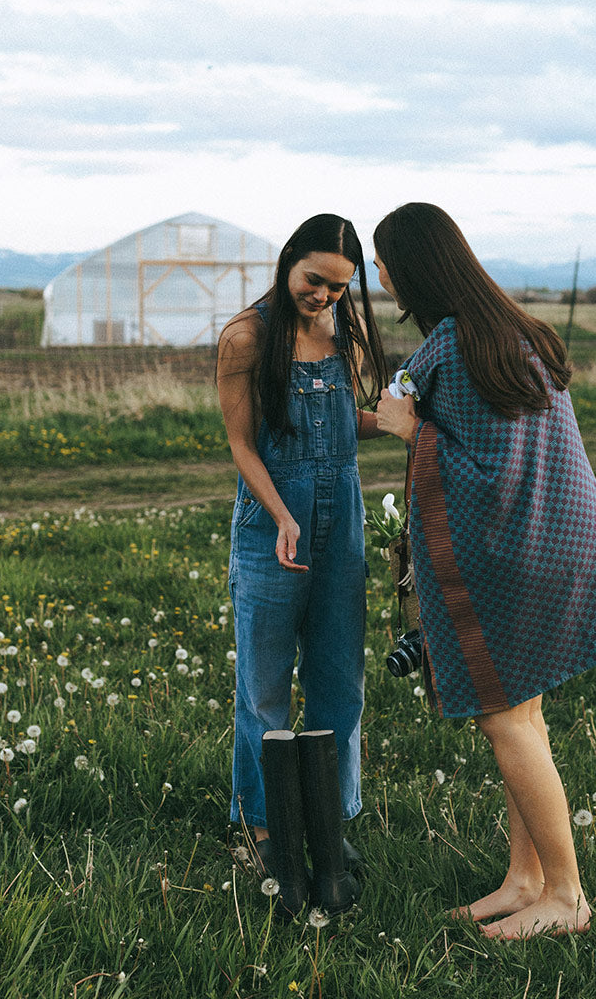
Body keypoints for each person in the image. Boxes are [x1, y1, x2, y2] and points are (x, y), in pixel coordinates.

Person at [373, 203, 596, 940]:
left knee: (504, 719)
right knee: (525, 714)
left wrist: (409, 428)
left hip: (519, 558)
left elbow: (484, 472)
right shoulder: (513, 330)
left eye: (386, 261)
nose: (382, 275)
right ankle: (526, 880)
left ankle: (568, 898)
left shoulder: (452, 349)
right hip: (563, 542)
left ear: (415, 268)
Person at [216, 214, 388, 915]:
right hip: (270, 526)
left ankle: (331, 822)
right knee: (263, 690)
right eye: (315, 280)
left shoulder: (345, 334)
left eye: (340, 288)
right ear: (289, 262)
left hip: (342, 523)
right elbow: (242, 445)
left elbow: (352, 421)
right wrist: (284, 515)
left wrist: (403, 421)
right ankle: (264, 827)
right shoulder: (246, 337)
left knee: (340, 681)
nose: (324, 297)